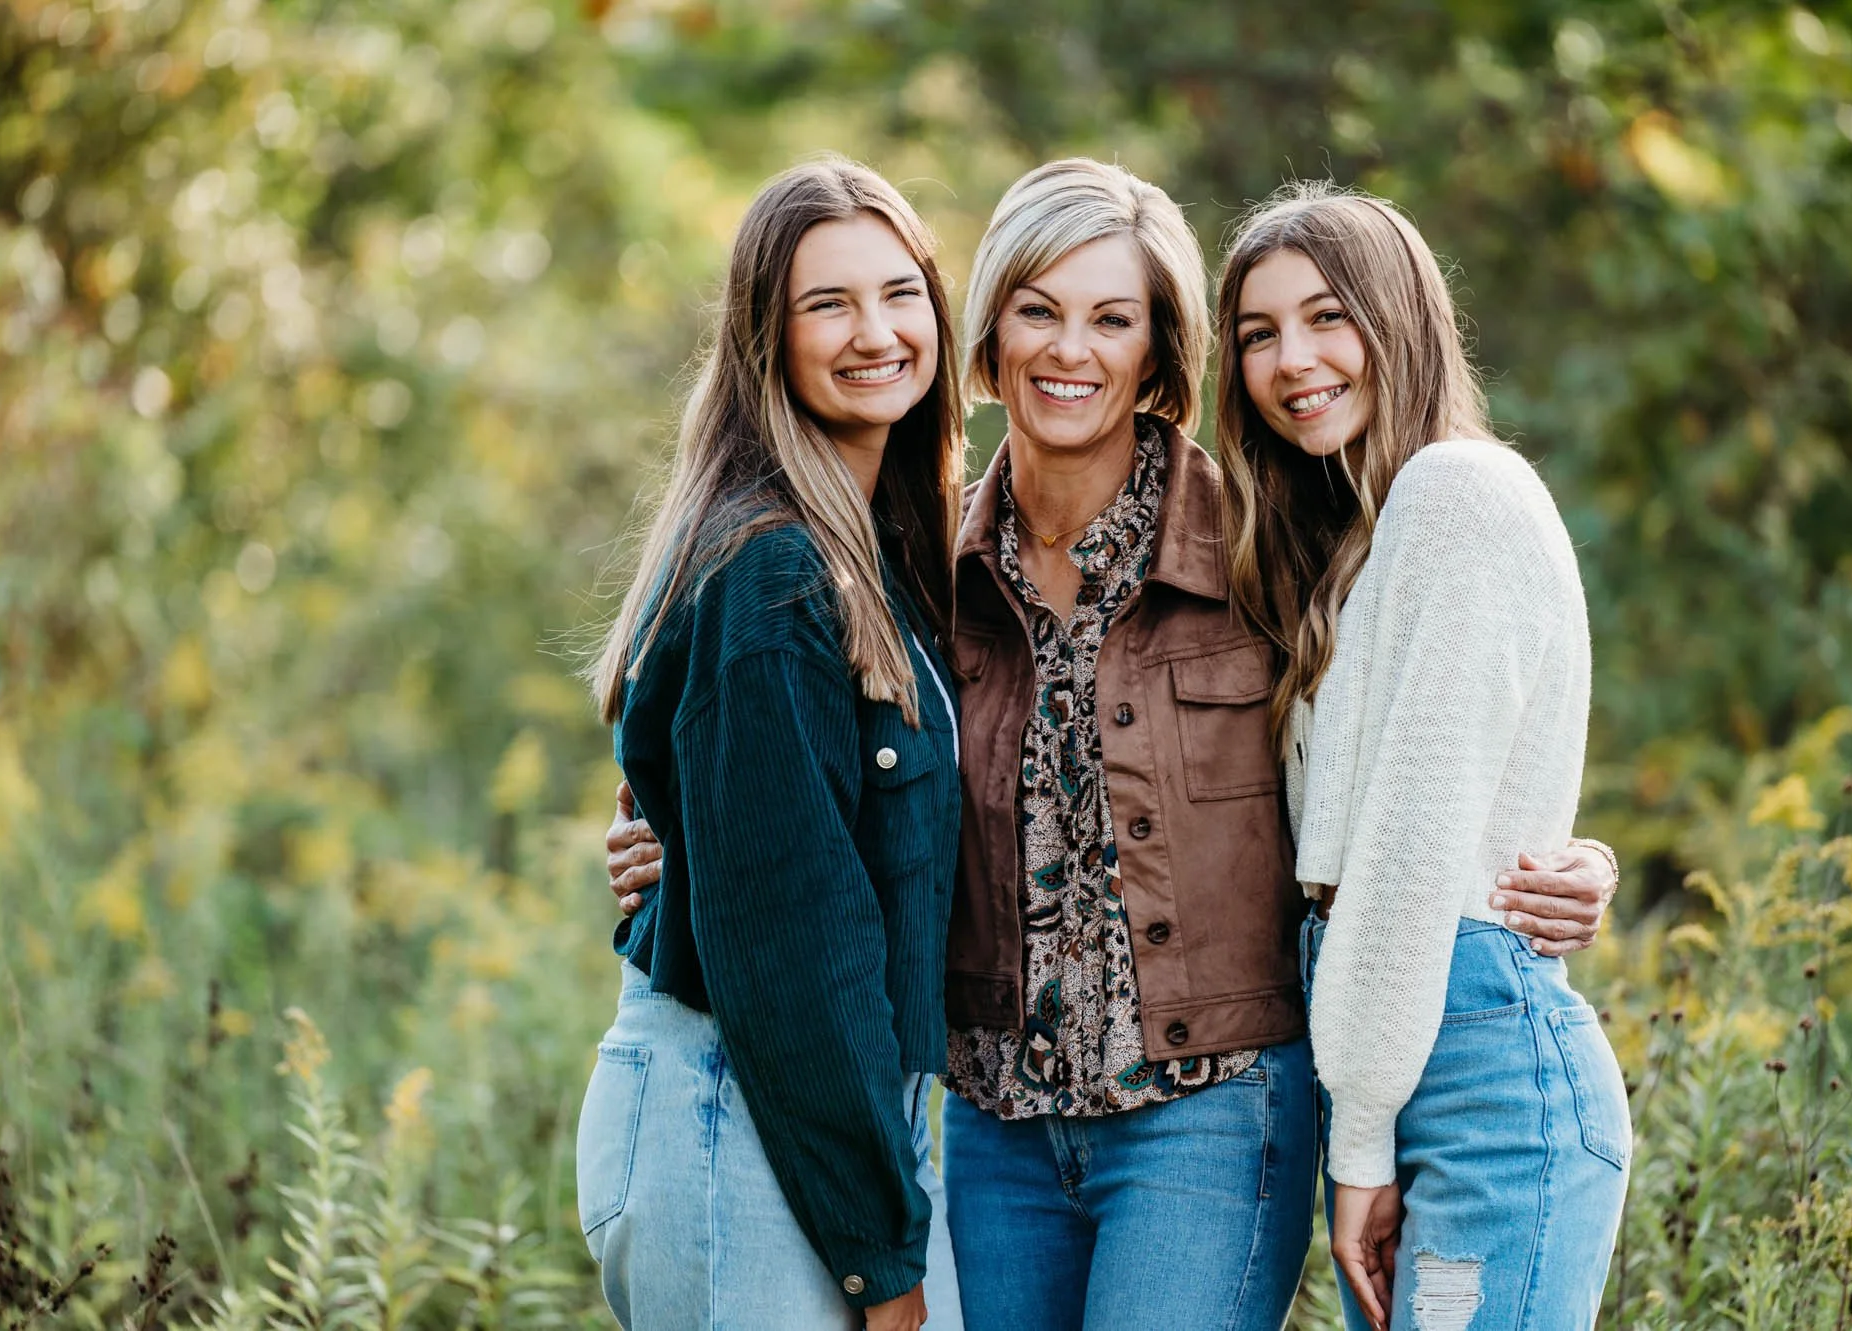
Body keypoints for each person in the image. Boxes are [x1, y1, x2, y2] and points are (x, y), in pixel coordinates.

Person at [603, 160, 1621, 1330]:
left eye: (1112, 318)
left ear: (1159, 352)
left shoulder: (1260, 545)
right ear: (986, 336)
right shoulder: (919, 572)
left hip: (1210, 1113)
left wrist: (1554, 852)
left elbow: (1403, 732)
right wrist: (668, 835)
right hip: (994, 1127)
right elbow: (787, 774)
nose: (1067, 350)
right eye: (1036, 309)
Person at [1216, 180, 1630, 1331]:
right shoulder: (1348, 545)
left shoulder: (1457, 492)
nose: (1291, 357)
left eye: (1324, 315)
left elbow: (1406, 857)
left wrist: (1356, 1146)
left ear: (1397, 317)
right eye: (1257, 332)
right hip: (1408, 1061)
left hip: (1478, 1083)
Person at [574, 156, 967, 1331]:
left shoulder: (872, 553)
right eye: (826, 304)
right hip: (737, 1109)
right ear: (764, 338)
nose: (875, 332)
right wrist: (881, 1257)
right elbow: (797, 939)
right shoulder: (775, 570)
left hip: (814, 1110)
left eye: (899, 294)